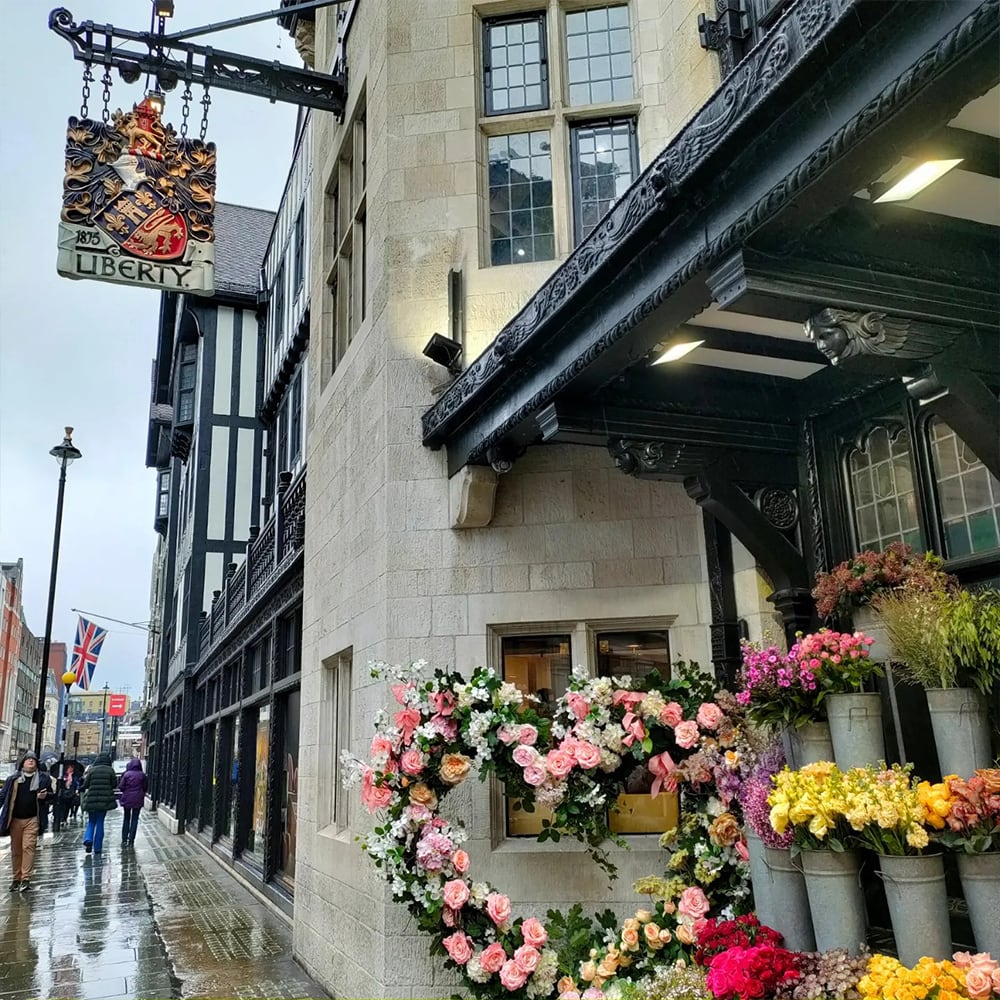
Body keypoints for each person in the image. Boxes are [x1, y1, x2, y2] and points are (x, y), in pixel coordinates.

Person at [0, 751, 53, 891]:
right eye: (28, 759)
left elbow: (52, 796)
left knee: (28, 847)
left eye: (33, 759)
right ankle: (16, 878)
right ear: (22, 763)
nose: (31, 761)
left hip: (32, 819)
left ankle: (25, 879)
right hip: (15, 820)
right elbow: (3, 796)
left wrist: (45, 796)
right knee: (16, 849)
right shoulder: (13, 779)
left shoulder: (43, 779)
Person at [81, 752, 117, 854]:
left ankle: (88, 839)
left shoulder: (92, 770)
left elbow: (86, 784)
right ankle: (97, 848)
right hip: (104, 801)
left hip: (91, 799)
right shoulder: (110, 770)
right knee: (100, 822)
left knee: (91, 821)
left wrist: (81, 789)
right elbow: (114, 784)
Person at [117, 758, 148, 846]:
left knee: (126, 818)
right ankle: (131, 840)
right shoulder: (142, 775)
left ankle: (124, 839)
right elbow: (145, 787)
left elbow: (121, 787)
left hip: (127, 799)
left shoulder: (126, 774)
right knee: (135, 819)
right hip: (138, 799)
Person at [52, 763, 81, 833]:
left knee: (68, 807)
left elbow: (77, 784)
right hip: (63, 793)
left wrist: (77, 790)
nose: (70, 769)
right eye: (69, 768)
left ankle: (65, 818)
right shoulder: (63, 775)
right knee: (62, 807)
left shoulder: (75, 776)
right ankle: (62, 819)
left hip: (71, 794)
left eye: (72, 768)